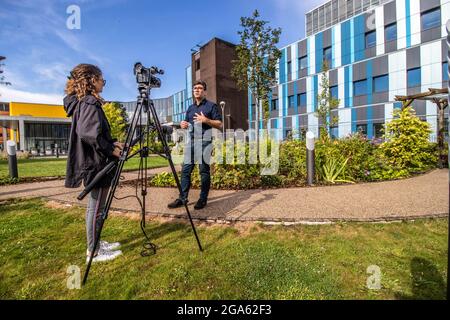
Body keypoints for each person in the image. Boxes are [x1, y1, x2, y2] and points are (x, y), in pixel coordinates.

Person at [64, 63, 123, 263]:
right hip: (96, 163)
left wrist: (112, 142)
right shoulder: (89, 102)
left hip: (97, 161)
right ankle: (93, 251)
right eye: (101, 80)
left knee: (98, 206)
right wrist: (111, 149)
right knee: (96, 207)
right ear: (91, 81)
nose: (103, 84)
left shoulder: (85, 102)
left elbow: (95, 133)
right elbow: (89, 134)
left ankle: (96, 242)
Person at [167, 80, 222, 210]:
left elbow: (219, 124)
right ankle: (182, 198)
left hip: (205, 141)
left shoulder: (211, 106)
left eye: (200, 88)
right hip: (191, 142)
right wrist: (183, 125)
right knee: (185, 171)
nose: (197, 90)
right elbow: (185, 124)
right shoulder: (190, 108)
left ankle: (203, 199)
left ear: (204, 91)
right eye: (195, 88)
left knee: (203, 171)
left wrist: (206, 120)